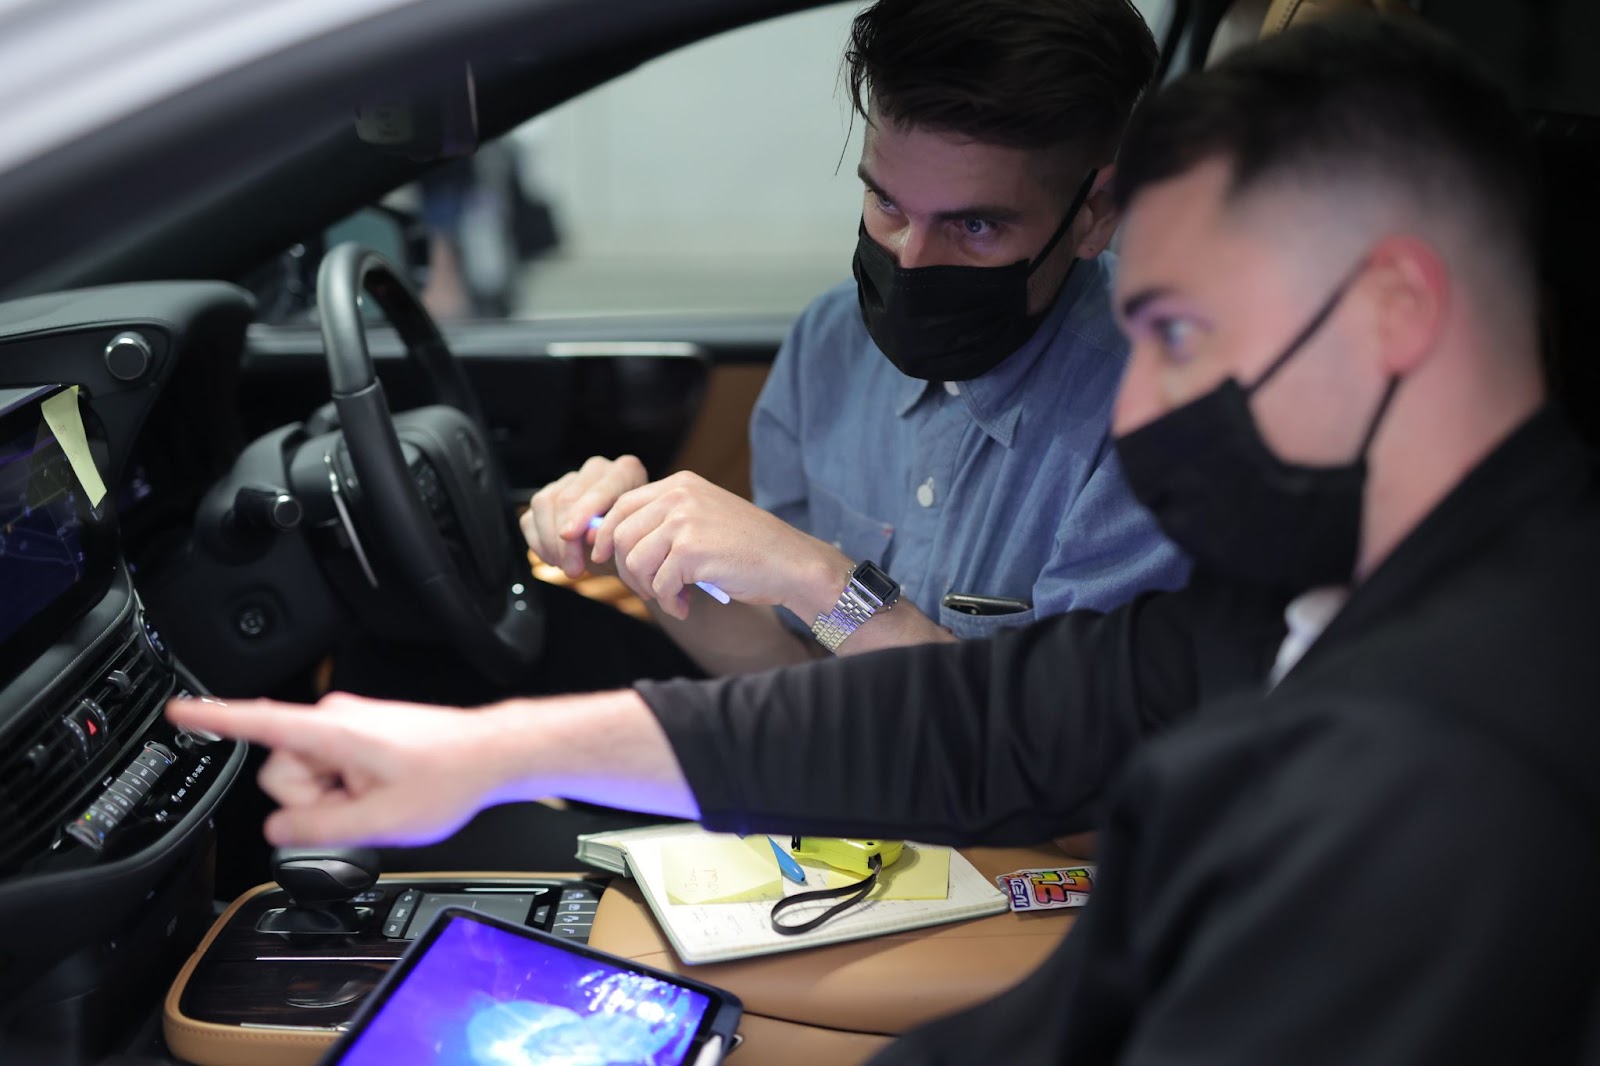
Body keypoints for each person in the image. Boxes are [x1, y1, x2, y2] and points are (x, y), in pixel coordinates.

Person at [172, 14, 1600, 1063]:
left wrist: (819, 581)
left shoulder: (1449, 775)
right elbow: (977, 719)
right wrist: (493, 754)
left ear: (1395, 315)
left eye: (1176, 335)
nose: (1145, 403)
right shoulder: (1320, 618)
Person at [519, 0, 1187, 680]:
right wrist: (647, 552)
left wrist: (816, 576)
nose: (911, 259)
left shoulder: (1157, 417)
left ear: (1096, 214)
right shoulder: (830, 344)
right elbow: (805, 673)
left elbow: (1059, 748)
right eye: (888, 204)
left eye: (976, 227)